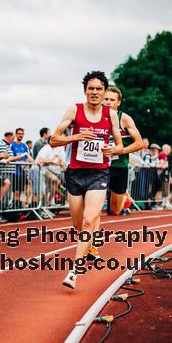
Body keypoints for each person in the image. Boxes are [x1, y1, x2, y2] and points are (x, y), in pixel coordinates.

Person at [50, 71, 125, 290]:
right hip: (75, 173)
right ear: (85, 91)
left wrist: (112, 149)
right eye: (91, 88)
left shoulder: (110, 115)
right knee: (77, 225)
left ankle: (74, 271)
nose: (94, 92)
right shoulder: (75, 110)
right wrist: (76, 137)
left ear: (104, 91)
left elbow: (119, 146)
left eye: (98, 89)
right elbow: (54, 140)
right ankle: (89, 244)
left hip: (99, 173)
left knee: (89, 221)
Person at [102, 86, 142, 221]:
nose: (107, 102)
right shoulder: (95, 117)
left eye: (111, 100)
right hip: (99, 166)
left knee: (115, 210)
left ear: (118, 102)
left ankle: (123, 197)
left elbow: (139, 143)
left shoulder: (124, 118)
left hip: (119, 166)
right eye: (105, 99)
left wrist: (121, 150)